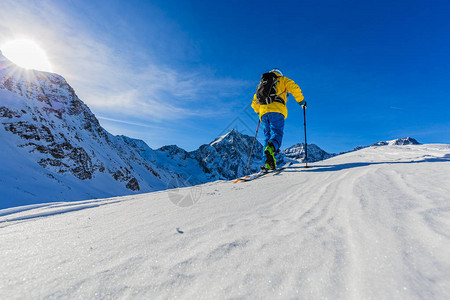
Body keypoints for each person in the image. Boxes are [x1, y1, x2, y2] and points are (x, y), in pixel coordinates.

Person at [251, 68, 306, 170]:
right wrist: (301, 101)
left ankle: (267, 163)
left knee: (267, 136)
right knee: (277, 133)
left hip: (263, 113)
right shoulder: (282, 80)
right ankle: (271, 148)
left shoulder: (261, 85)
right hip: (277, 110)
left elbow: (254, 103)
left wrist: (259, 112)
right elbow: (294, 88)